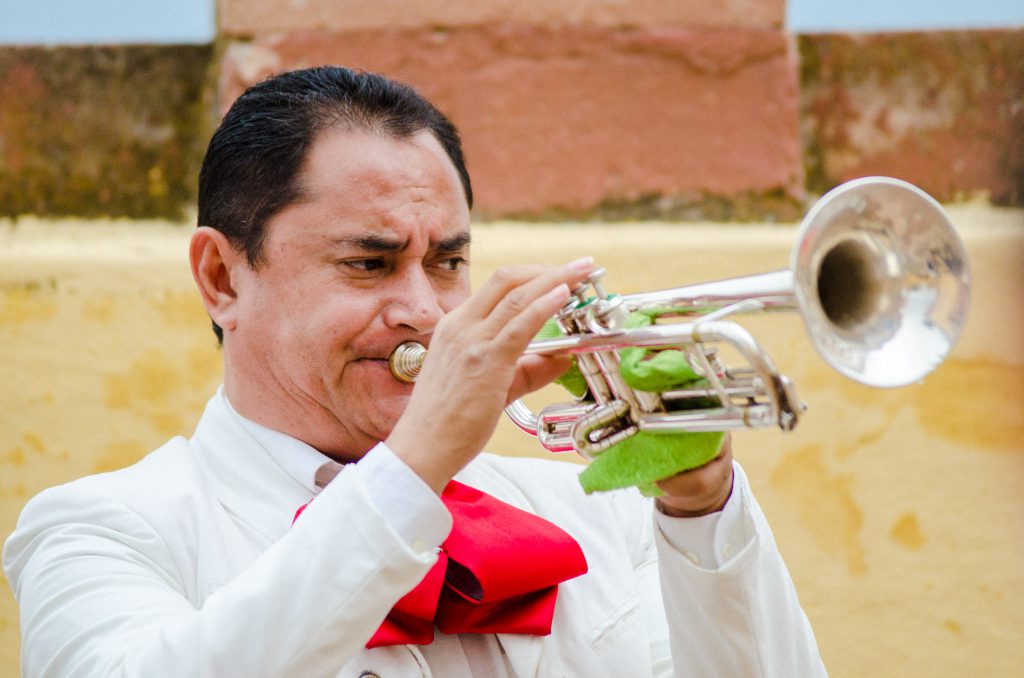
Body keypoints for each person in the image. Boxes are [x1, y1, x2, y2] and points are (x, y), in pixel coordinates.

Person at [3, 66, 826, 677]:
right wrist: (415, 465)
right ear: (223, 278)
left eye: (448, 260)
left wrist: (698, 508)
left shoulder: (596, 516)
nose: (426, 311)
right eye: (370, 262)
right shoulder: (99, 530)